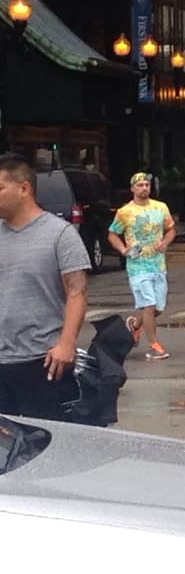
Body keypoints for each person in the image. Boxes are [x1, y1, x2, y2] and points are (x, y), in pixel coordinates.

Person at [0, 153, 90, 420]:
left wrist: (66, 344)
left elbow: (77, 292)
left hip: (42, 360)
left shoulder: (60, 234)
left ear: (24, 189)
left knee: (45, 438)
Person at [107, 171, 176, 360]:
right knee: (149, 304)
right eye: (140, 185)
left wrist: (165, 243)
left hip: (158, 265)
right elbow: (112, 234)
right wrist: (124, 250)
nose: (144, 188)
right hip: (138, 267)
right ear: (132, 188)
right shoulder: (125, 212)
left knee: (157, 308)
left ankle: (135, 325)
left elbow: (171, 230)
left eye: (146, 185)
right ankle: (154, 345)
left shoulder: (160, 208)